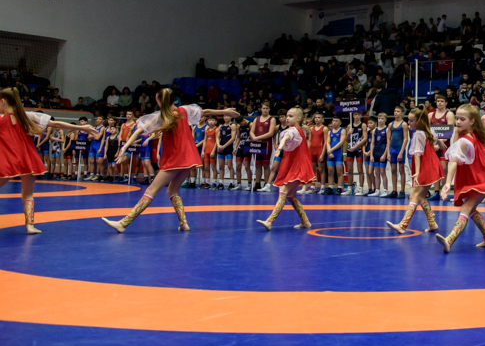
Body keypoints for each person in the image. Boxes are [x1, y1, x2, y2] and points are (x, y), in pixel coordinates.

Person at [103, 88, 236, 233]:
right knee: (172, 190)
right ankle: (183, 223)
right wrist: (225, 111)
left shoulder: (162, 116)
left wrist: (125, 147)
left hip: (174, 160)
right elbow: (206, 111)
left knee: (150, 191)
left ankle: (123, 223)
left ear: (160, 101)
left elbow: (139, 130)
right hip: (188, 159)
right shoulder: (183, 111)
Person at [0, 88, 95, 234]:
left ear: (2, 101)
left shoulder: (2, 118)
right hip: (28, 159)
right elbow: (56, 125)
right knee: (28, 194)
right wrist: (82, 127)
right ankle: (30, 226)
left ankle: (30, 225)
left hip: (9, 159)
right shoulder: (27, 116)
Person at [438, 105, 485, 253]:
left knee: (466, 208)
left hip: (482, 182)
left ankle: (450, 240)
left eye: (462, 119)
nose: (458, 122)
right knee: (472, 209)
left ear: (472, 122)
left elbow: (454, 161)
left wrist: (448, 183)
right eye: (456, 118)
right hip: (481, 181)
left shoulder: (465, 141)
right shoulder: (471, 137)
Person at [256, 108, 315, 231]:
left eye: (290, 116)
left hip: (296, 167)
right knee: (290, 196)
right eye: (287, 116)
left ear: (298, 118)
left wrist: (280, 147)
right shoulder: (297, 130)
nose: (287, 118)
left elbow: (286, 137)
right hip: (292, 165)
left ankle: (269, 221)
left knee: (283, 191)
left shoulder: (294, 130)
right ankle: (305, 222)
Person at [386, 107, 443, 234]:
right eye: (409, 120)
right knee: (421, 196)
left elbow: (417, 155)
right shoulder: (428, 131)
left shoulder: (418, 134)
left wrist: (417, 172)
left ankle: (403, 225)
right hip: (432, 166)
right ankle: (432, 223)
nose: (409, 123)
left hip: (424, 168)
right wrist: (438, 144)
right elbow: (434, 141)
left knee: (413, 195)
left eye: (411, 121)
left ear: (418, 122)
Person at [303, 112, 327, 194]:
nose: (317, 119)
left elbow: (326, 142)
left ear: (322, 119)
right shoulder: (311, 128)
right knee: (312, 170)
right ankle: (312, 187)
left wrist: (323, 153)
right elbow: (309, 140)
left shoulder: (325, 128)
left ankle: (322, 187)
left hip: (320, 151)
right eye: (316, 117)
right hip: (312, 151)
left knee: (321, 170)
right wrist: (307, 151)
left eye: (319, 117)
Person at [344, 111, 366, 196]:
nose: (357, 116)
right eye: (355, 115)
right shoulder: (350, 126)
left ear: (361, 116)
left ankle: (360, 188)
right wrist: (349, 134)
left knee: (360, 169)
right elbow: (347, 140)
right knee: (349, 170)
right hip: (350, 149)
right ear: (353, 116)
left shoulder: (363, 125)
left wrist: (356, 147)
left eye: (358, 115)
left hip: (358, 149)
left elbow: (365, 138)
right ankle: (349, 188)